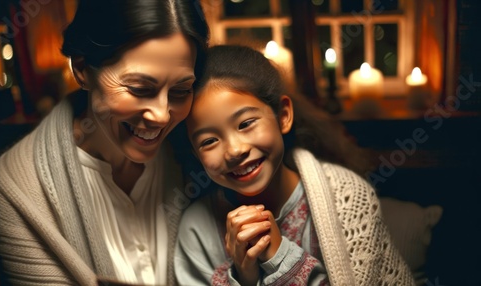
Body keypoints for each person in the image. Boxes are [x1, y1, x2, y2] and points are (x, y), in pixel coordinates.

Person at [0, 0, 208, 285]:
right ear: (82, 69)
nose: (162, 115)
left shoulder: (197, 152)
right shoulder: (12, 186)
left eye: (180, 90)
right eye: (140, 89)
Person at [174, 45, 414, 285]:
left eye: (246, 123)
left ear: (284, 116)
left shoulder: (349, 195)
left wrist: (282, 259)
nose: (235, 150)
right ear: (196, 154)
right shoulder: (196, 231)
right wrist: (245, 277)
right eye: (209, 141)